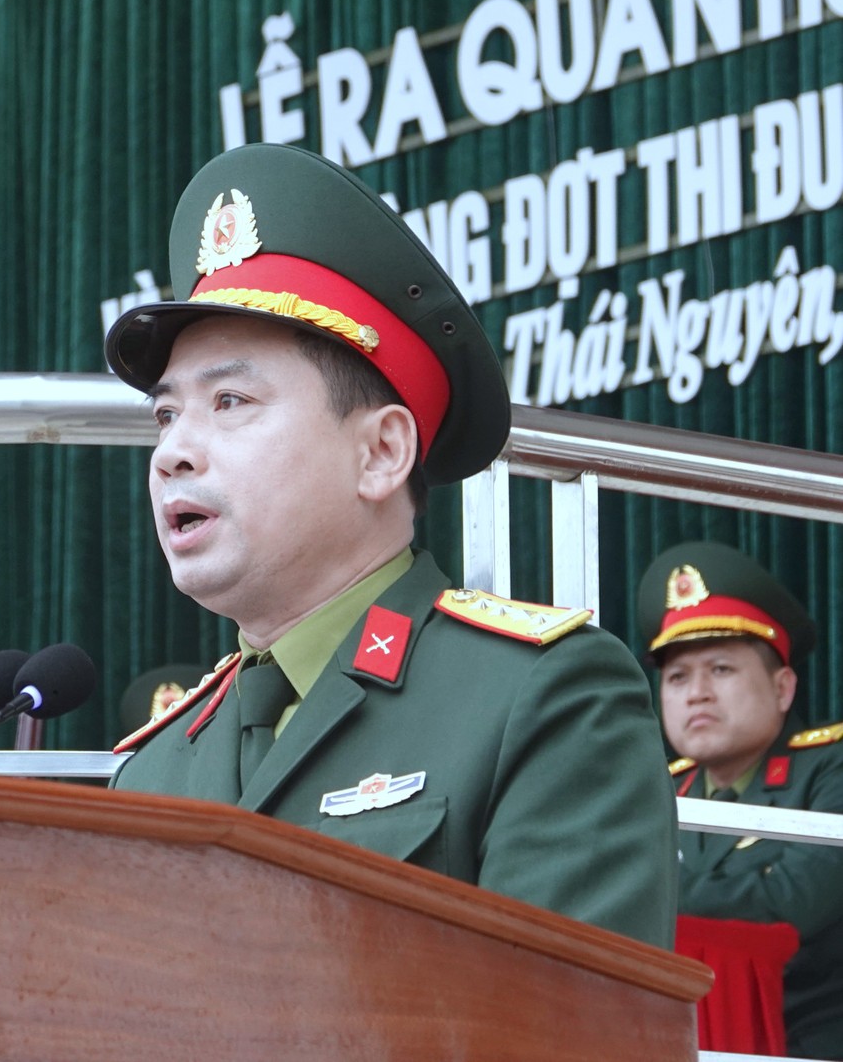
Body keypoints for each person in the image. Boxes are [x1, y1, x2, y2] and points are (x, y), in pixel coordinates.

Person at [104, 144, 676, 947]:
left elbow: (570, 1011)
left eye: (230, 400)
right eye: (167, 416)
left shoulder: (542, 698)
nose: (173, 453)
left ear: (380, 452)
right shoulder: (153, 769)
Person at [641, 541, 843, 1058]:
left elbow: (791, 905)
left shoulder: (830, 769)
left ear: (783, 688)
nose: (697, 693)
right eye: (678, 677)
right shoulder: (658, 789)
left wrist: (654, 891)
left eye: (721, 670)